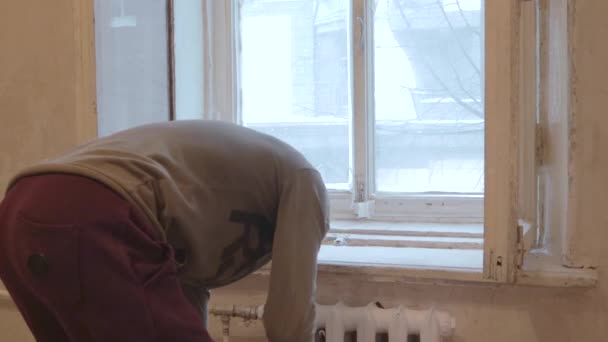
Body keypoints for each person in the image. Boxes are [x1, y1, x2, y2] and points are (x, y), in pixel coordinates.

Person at [0, 120, 330, 342]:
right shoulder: (304, 181)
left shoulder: (215, 191)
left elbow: (182, 294)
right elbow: (289, 322)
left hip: (17, 213)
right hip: (90, 209)